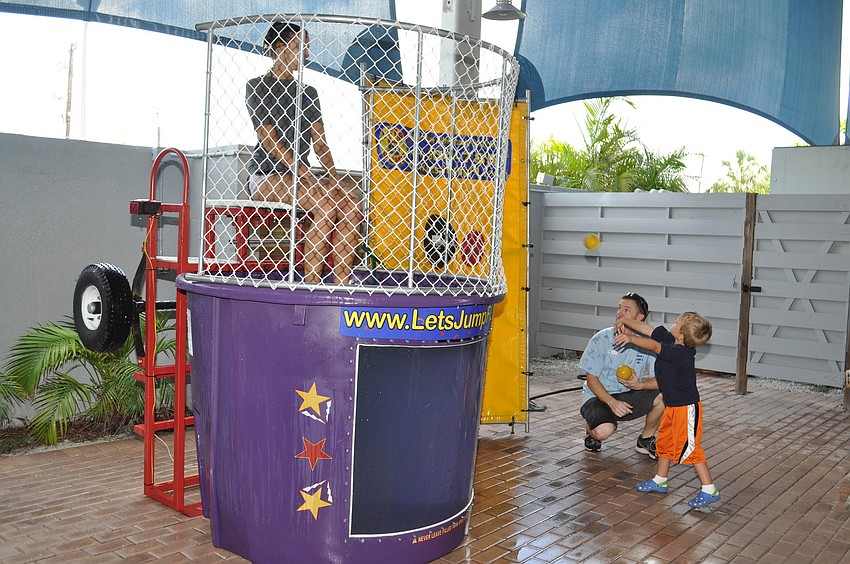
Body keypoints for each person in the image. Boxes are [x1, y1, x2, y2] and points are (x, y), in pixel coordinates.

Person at [246, 21, 361, 284]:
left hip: (301, 175)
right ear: (281, 47)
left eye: (306, 47)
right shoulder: (257, 87)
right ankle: (311, 286)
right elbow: (269, 140)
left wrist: (333, 178)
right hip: (266, 175)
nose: (307, 54)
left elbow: (320, 143)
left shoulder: (308, 93)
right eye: (300, 47)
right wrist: (302, 171)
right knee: (324, 203)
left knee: (352, 204)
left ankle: (340, 285)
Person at [614, 311, 720, 509]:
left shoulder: (680, 354)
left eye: (676, 323)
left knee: (690, 448)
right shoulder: (671, 341)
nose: (672, 323)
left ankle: (709, 489)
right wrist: (624, 321)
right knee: (663, 442)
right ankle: (660, 480)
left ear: (681, 336)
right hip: (672, 407)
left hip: (686, 410)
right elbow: (648, 330)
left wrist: (630, 338)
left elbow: (654, 345)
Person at [578, 293, 662, 458]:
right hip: (598, 396)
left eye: (626, 310)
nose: (620, 314)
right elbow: (591, 378)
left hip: (628, 395)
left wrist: (640, 385)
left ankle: (645, 440)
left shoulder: (648, 343)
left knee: (665, 395)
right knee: (602, 432)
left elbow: (659, 380)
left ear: (640, 317)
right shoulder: (601, 338)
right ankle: (591, 429)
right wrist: (611, 402)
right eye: (619, 308)